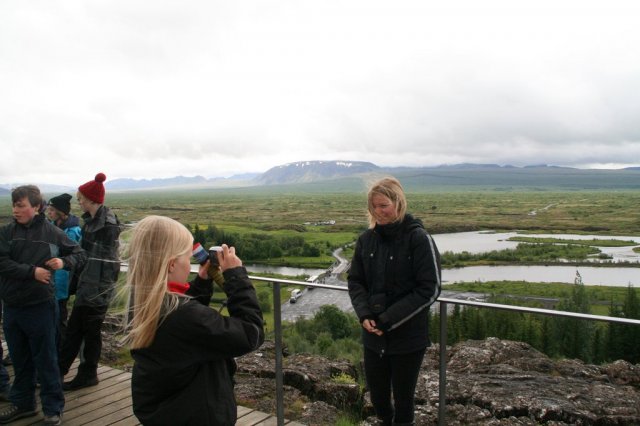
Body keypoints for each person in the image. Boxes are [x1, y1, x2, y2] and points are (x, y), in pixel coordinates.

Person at [124, 215, 264, 425]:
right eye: (186, 259)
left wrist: (202, 282)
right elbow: (250, 333)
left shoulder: (142, 301)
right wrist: (237, 277)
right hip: (198, 415)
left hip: (166, 409)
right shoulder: (185, 316)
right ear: (171, 264)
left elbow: (187, 332)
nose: (188, 264)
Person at [347, 177, 441, 426]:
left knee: (403, 401)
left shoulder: (418, 239)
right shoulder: (366, 240)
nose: (378, 212)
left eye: (383, 205)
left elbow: (429, 289)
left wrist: (387, 320)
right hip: (373, 336)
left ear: (398, 203)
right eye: (374, 206)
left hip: (408, 338)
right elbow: (356, 281)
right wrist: (364, 315)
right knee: (378, 399)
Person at [0, 185, 86, 425]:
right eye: (14, 205)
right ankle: (24, 403)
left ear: (36, 207)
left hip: (40, 306)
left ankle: (53, 409)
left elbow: (80, 254)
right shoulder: (7, 232)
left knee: (46, 358)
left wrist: (64, 261)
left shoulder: (52, 232)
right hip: (13, 306)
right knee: (20, 358)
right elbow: (1, 262)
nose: (15, 210)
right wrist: (32, 272)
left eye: (20, 205)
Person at [59, 173, 121, 390]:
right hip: (90, 284)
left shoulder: (107, 225)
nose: (79, 203)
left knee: (84, 330)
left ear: (91, 199)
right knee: (79, 329)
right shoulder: (94, 222)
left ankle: (79, 373)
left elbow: (104, 262)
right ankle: (66, 371)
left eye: (81, 199)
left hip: (97, 289)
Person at [46, 193, 82, 353]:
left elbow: (71, 258)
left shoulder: (72, 232)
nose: (49, 213)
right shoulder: (54, 226)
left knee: (59, 318)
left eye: (52, 210)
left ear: (61, 212)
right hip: (52, 280)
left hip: (61, 281)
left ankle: (59, 352)